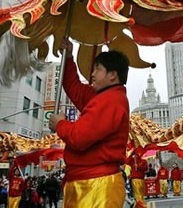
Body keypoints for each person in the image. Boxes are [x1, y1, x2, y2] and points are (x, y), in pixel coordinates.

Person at [49, 38, 130, 208]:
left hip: (96, 185)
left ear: (113, 75)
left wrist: (60, 124)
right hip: (85, 182)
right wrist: (69, 57)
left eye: (98, 69)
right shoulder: (100, 96)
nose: (92, 74)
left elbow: (79, 137)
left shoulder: (112, 100)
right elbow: (73, 87)